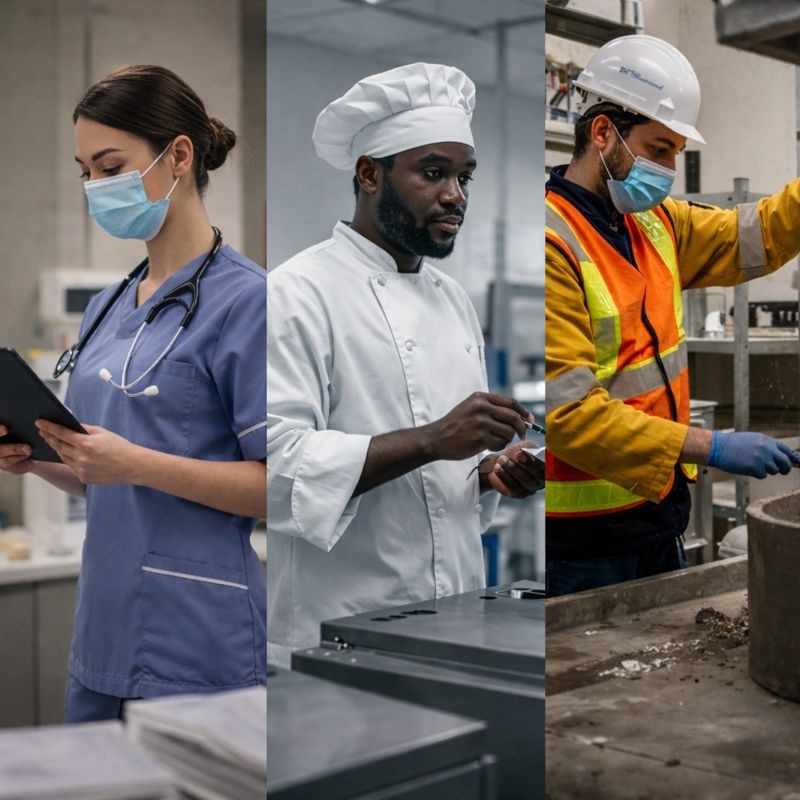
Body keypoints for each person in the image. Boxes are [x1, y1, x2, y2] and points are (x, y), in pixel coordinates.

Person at [0, 65, 266, 721]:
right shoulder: (107, 307)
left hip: (198, 639)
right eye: (85, 170)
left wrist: (132, 463)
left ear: (179, 155)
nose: (95, 187)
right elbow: (104, 475)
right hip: (104, 633)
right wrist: (38, 458)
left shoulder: (250, 302)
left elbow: (282, 486)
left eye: (110, 165)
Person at [267, 62, 544, 666]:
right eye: (434, 173)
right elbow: (272, 470)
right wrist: (430, 440)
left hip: (458, 619)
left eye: (464, 177)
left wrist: (493, 471)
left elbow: (446, 474)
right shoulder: (295, 292)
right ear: (370, 174)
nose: (456, 196)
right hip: (338, 634)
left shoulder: (452, 299)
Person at [545, 34, 800, 596]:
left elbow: (749, 236)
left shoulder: (655, 223)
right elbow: (570, 417)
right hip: (583, 546)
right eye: (659, 149)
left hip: (658, 519)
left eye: (675, 154)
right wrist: (711, 446)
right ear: (604, 132)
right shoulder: (550, 243)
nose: (666, 170)